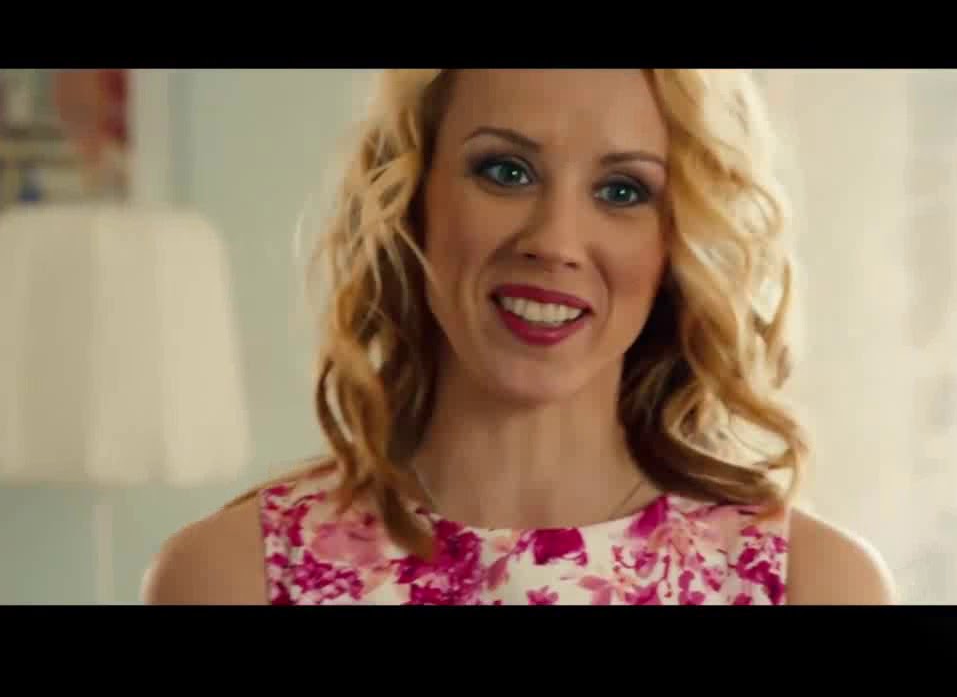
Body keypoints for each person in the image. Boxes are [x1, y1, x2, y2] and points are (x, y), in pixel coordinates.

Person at [141, 69, 896, 606]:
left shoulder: (815, 586)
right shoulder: (232, 577)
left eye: (623, 190)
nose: (555, 241)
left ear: (675, 242)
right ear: (413, 202)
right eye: (506, 171)